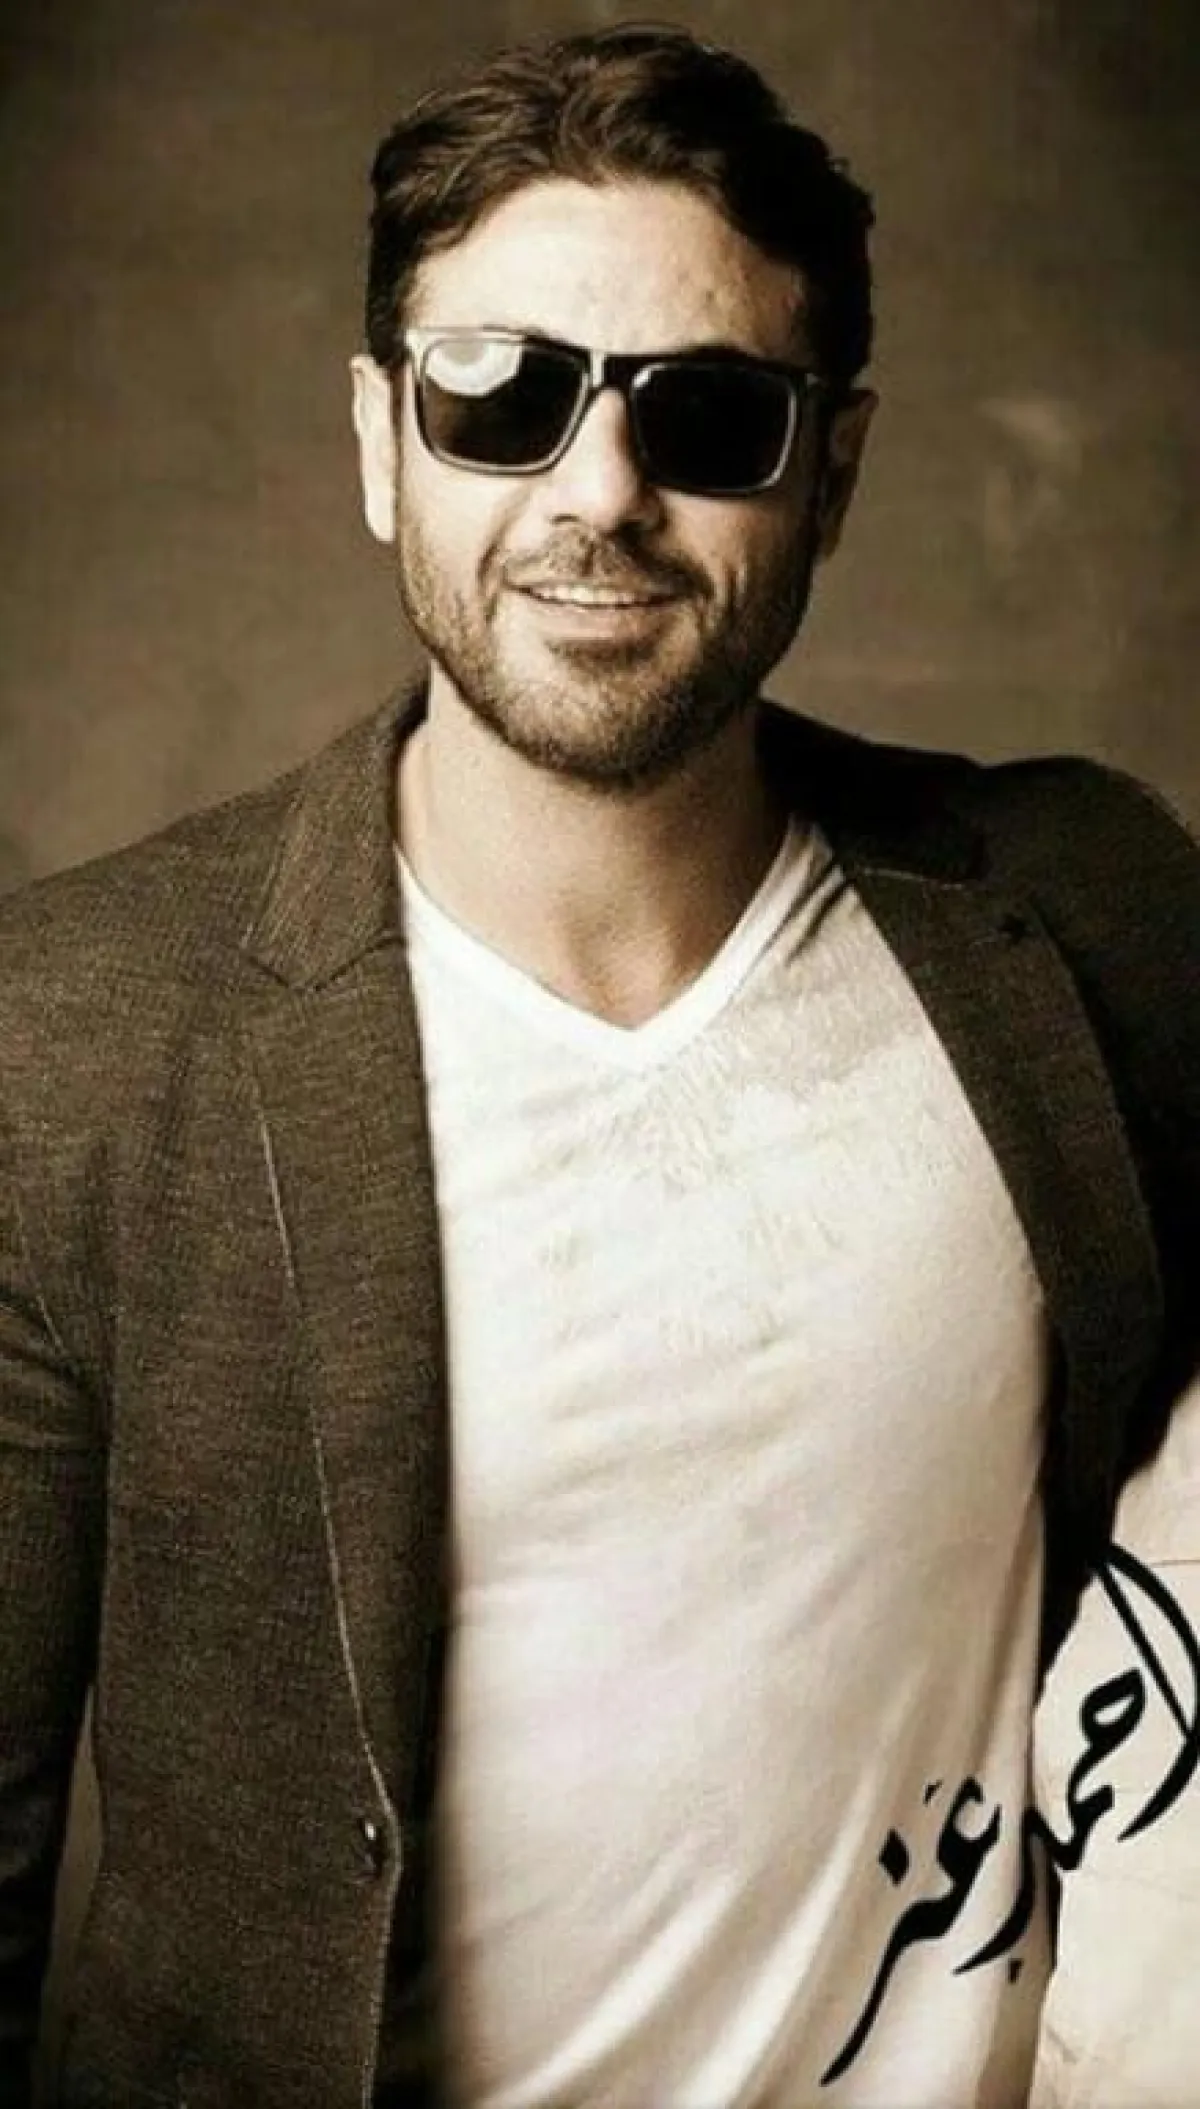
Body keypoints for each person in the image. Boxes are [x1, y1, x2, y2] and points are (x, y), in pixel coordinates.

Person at [1, 22, 1197, 2109]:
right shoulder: (75, 1038)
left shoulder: (1089, 918)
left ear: (833, 470)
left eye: (708, 414)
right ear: (380, 441)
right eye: (502, 395)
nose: (599, 494)